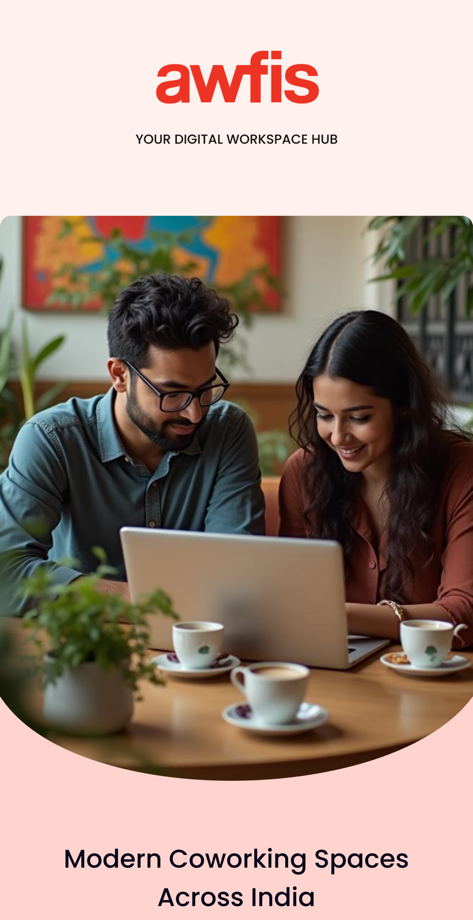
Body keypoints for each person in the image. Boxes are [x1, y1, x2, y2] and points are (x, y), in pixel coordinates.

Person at [0, 274, 265, 614]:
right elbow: (7, 574)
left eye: (205, 390)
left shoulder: (227, 430)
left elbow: (236, 570)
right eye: (172, 393)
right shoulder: (52, 439)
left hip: (194, 639)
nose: (195, 413)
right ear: (119, 375)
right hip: (84, 640)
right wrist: (143, 602)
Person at [279, 309, 473, 648]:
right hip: (330, 668)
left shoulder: (462, 471)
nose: (338, 436)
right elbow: (291, 594)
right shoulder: (304, 473)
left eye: (358, 417)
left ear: (403, 404)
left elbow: (464, 615)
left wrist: (338, 615)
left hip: (434, 673)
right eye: (324, 415)